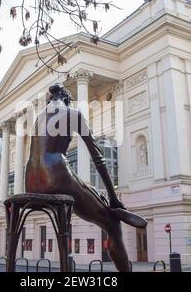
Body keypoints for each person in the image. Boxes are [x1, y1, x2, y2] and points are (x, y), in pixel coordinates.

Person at [25, 83, 147, 272]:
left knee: (85, 187)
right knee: (112, 225)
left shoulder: (39, 119)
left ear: (50, 100)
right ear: (66, 99)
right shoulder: (73, 115)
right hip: (56, 177)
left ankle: (105, 204)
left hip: (31, 181)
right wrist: (113, 198)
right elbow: (98, 158)